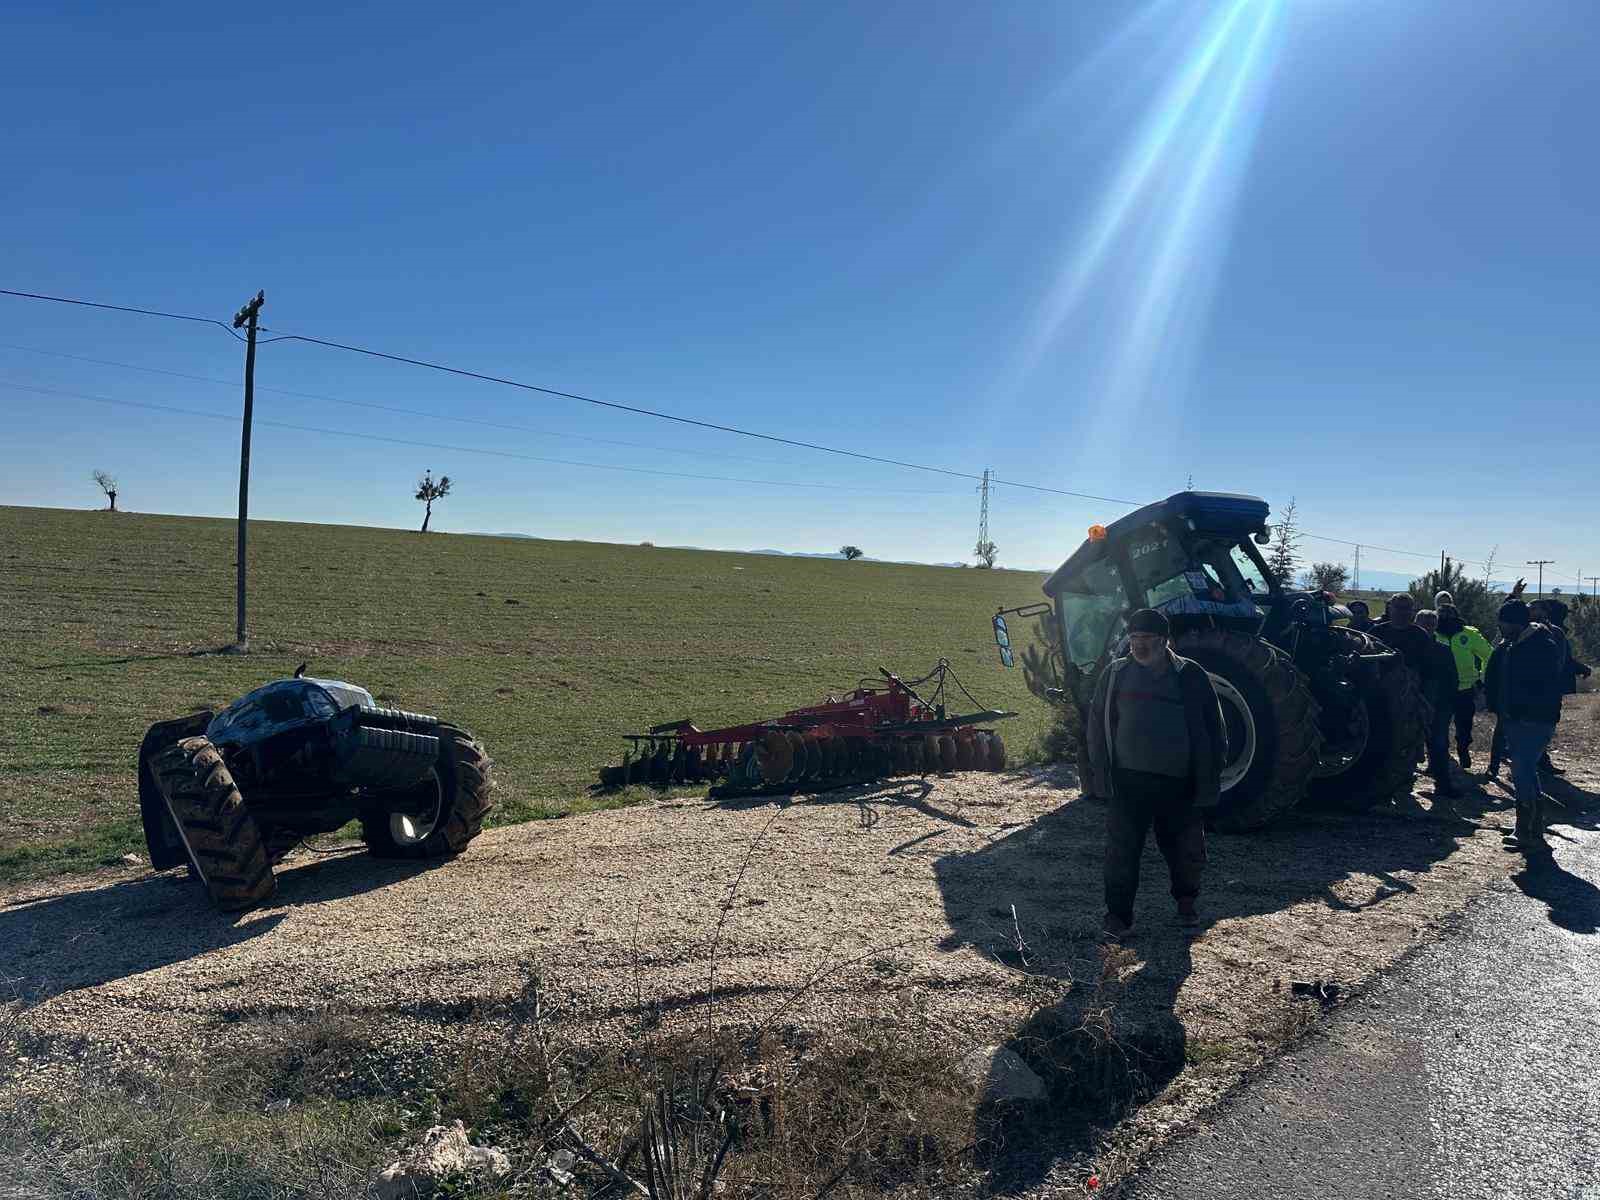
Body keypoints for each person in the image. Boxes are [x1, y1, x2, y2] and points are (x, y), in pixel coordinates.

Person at [1086, 608, 1226, 939]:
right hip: (1128, 781)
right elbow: (1097, 725)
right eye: (1134, 638)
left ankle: (1186, 904)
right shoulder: (1116, 674)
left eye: (1147, 638)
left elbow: (1214, 729)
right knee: (1121, 851)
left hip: (1178, 782)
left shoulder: (1190, 675)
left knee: (1185, 849)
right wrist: (1100, 773)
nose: (1139, 645)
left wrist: (1209, 777)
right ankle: (1118, 916)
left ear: (1165, 641)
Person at [1484, 599, 1564, 854]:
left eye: (1504, 623)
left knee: (1522, 770)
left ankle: (1527, 831)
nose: (1501, 628)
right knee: (1526, 771)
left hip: (1534, 720)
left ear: (1515, 623)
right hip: (1515, 718)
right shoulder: (1511, 645)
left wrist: (1520, 711)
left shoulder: (1541, 647)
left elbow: (1544, 688)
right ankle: (1531, 828)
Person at [1435, 603, 1495, 769]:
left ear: (1456, 615)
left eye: (1450, 613)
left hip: (1465, 688)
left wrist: (1482, 678)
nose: (1446, 617)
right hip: (1440, 689)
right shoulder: (1433, 633)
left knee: (1464, 726)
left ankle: (1463, 749)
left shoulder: (1469, 634)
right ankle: (1439, 758)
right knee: (1439, 727)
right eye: (1442, 614)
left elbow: (1489, 655)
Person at [1415, 610, 1464, 801]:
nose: (1427, 627)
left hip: (1439, 705)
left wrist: (1448, 703)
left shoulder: (1443, 650)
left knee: (1439, 744)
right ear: (1416, 623)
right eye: (1424, 623)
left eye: (1431, 624)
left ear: (1436, 626)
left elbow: (1453, 679)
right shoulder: (1408, 647)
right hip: (1410, 703)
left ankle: (1443, 784)